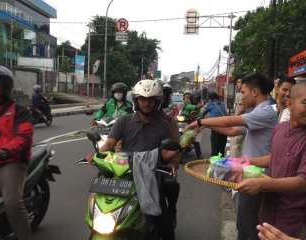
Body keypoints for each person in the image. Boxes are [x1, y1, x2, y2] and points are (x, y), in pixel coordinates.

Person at [235, 82, 306, 239]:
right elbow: (276, 157)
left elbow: (304, 183)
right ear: (290, 104)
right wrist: (248, 161)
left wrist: (262, 184)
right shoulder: (279, 129)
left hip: (294, 223)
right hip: (267, 215)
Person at [184, 73, 277, 240]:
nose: (241, 96)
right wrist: (207, 127)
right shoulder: (259, 112)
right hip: (250, 173)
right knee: (245, 221)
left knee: (247, 224)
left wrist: (200, 122)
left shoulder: (264, 112)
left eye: (243, 91)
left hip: (258, 176)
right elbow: (233, 131)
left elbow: (229, 122)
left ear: (255, 92)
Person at [86, 79, 179, 240]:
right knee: (99, 202)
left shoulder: (164, 126)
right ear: (136, 101)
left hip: (149, 174)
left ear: (157, 102)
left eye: (151, 100)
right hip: (123, 171)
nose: (146, 104)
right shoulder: (124, 121)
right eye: (142, 99)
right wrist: (95, 155)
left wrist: (179, 148)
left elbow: (164, 154)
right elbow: (110, 143)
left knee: (163, 220)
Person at [0, 65, 34, 240]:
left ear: (5, 86)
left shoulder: (19, 110)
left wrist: (3, 151)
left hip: (11, 161)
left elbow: (24, 137)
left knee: (13, 202)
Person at [158, 81, 181, 229]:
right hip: (132, 164)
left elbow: (176, 147)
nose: (148, 103)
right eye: (144, 98)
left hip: (159, 166)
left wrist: (173, 164)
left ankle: (171, 210)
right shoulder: (128, 120)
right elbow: (118, 143)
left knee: (170, 183)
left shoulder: (169, 121)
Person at [201, 92, 228, 157]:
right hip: (225, 129)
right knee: (221, 150)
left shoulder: (210, 105)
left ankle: (214, 165)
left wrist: (202, 121)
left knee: (214, 151)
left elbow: (202, 113)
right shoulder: (222, 104)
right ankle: (221, 164)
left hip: (216, 129)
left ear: (210, 99)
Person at [229, 77, 246, 158]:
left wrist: (233, 120)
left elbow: (241, 109)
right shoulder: (240, 94)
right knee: (242, 146)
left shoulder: (242, 94)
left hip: (239, 123)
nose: (237, 84)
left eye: (239, 82)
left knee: (234, 145)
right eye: (237, 82)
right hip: (244, 123)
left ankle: (233, 165)